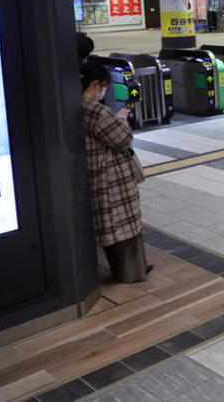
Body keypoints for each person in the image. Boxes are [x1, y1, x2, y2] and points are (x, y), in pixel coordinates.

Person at [80, 61, 150, 284]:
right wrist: (121, 120)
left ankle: (128, 270)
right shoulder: (97, 112)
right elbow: (123, 139)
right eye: (103, 87)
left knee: (112, 228)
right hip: (111, 177)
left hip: (95, 173)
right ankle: (131, 274)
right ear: (95, 84)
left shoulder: (72, 106)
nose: (104, 92)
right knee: (125, 229)